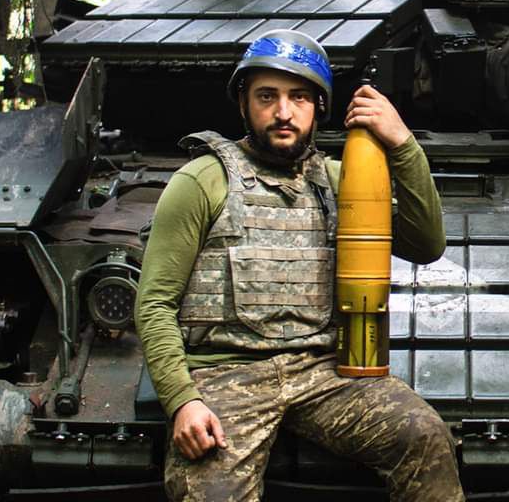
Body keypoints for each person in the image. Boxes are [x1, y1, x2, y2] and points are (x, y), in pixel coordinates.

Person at [135, 29, 464, 502]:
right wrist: (183, 401)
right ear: (244, 103)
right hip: (226, 376)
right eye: (267, 96)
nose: (283, 112)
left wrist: (403, 144)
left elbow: (426, 243)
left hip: (325, 374)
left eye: (299, 97)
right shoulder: (202, 181)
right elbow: (155, 305)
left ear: (318, 107)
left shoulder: (339, 181)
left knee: (424, 436)